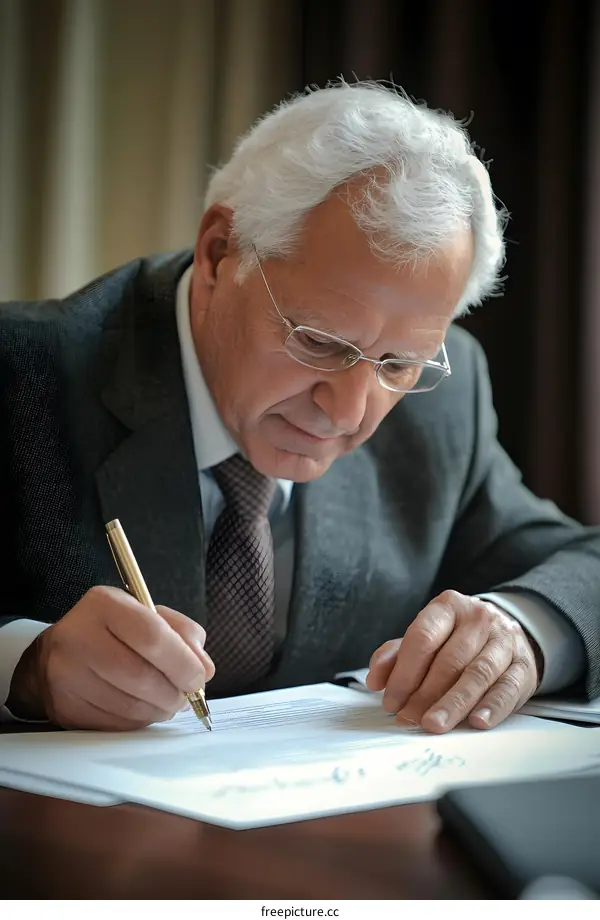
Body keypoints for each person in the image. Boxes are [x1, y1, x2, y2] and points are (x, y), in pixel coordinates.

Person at [1, 81, 598, 734]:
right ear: (218, 253)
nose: (347, 411)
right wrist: (26, 668)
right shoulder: (23, 372)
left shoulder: (445, 399)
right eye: (318, 341)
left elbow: (583, 569)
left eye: (397, 365)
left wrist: (522, 631)